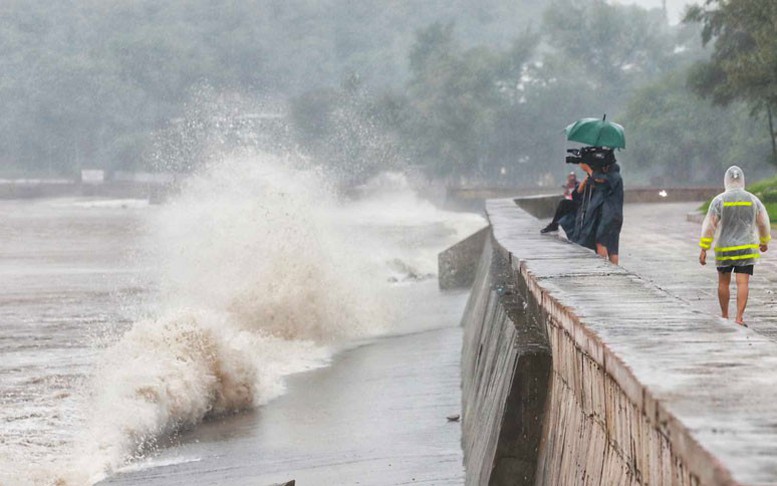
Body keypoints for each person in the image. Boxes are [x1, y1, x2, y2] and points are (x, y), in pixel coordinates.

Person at [699, 165, 771, 326]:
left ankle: (725, 316)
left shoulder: (719, 200)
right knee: (743, 283)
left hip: (724, 249)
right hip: (746, 249)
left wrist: (704, 248)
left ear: (726, 180)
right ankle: (739, 318)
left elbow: (709, 226)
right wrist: (764, 241)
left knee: (723, 283)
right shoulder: (753, 199)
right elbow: (763, 222)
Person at [574, 159, 623, 264]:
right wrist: (589, 174)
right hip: (616, 215)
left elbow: (599, 180)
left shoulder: (613, 176)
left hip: (609, 216)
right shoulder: (613, 178)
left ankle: (604, 269)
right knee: (613, 246)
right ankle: (615, 272)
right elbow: (581, 189)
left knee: (601, 241)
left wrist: (588, 168)